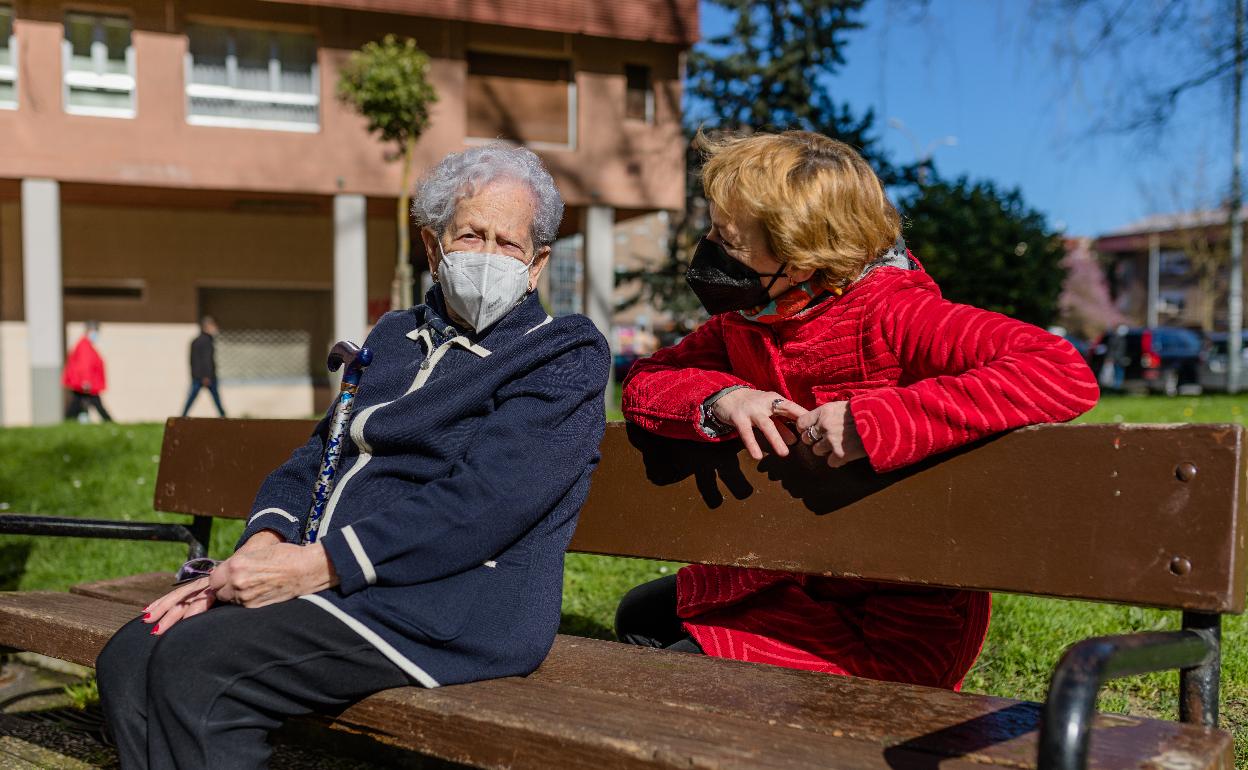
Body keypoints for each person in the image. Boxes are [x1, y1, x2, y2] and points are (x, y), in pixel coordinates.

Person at [96, 144, 610, 769]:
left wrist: (317, 566)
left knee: (200, 666)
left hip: (453, 603)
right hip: (341, 581)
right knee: (132, 653)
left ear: (537, 264)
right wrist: (264, 544)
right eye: (471, 235)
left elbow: (485, 504)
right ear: (433, 247)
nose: (489, 256)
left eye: (510, 243)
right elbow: (317, 456)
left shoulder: (562, 353)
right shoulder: (395, 336)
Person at [615, 131, 1100, 690]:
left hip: (890, 617)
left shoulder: (896, 312)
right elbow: (648, 379)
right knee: (643, 617)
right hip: (785, 573)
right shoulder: (749, 319)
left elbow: (1059, 369)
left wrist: (875, 422)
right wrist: (724, 398)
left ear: (798, 260)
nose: (709, 247)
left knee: (674, 669)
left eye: (728, 239)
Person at [63, 320, 113, 423]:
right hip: (86, 384)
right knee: (96, 404)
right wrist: (86, 381)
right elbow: (84, 365)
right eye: (95, 331)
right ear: (89, 331)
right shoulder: (84, 345)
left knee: (76, 404)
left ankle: (68, 421)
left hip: (84, 383)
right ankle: (109, 422)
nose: (96, 334)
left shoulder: (86, 344)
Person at [181, 316, 226, 417]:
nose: (215, 328)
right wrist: (206, 376)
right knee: (215, 398)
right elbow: (205, 361)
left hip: (198, 376)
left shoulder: (196, 341)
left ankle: (183, 416)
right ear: (206, 327)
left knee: (194, 397)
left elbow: (193, 362)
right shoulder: (206, 342)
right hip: (206, 377)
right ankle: (224, 417)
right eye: (212, 325)